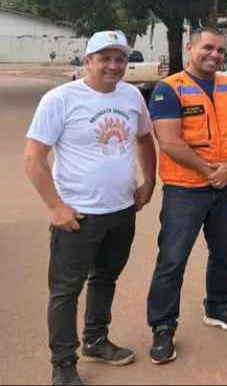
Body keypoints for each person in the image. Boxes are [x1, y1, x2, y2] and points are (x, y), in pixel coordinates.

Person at [24, 31, 158, 386]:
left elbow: (145, 137)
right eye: (105, 58)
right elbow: (34, 158)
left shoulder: (131, 96)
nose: (114, 66)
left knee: (104, 278)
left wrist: (149, 180)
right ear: (88, 61)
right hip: (77, 216)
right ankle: (63, 363)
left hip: (121, 211)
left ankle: (96, 340)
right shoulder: (60, 99)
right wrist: (56, 207)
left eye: (120, 59)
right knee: (66, 291)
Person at [146, 27, 227, 365]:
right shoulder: (169, 89)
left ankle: (218, 306)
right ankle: (163, 326)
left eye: (221, 50)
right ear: (190, 47)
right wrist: (211, 170)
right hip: (185, 190)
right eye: (208, 48)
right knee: (173, 259)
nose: (215, 55)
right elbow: (170, 142)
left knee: (224, 252)